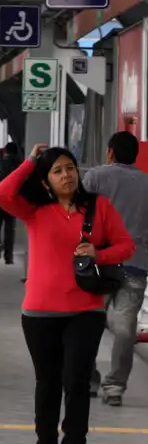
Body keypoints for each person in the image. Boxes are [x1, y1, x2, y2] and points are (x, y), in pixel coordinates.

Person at [0, 144, 134, 444]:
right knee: (47, 384)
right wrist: (30, 161)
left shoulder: (98, 206)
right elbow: (2, 194)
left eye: (70, 168)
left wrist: (99, 253)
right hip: (39, 313)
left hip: (85, 311)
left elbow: (126, 245)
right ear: (45, 180)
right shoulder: (34, 210)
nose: (66, 175)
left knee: (76, 382)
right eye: (56, 171)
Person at [83, 131, 148, 406]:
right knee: (125, 328)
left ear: (110, 152)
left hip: (98, 263)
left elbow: (78, 216)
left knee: (87, 323)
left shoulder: (95, 178)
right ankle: (115, 387)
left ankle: (88, 380)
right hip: (135, 264)